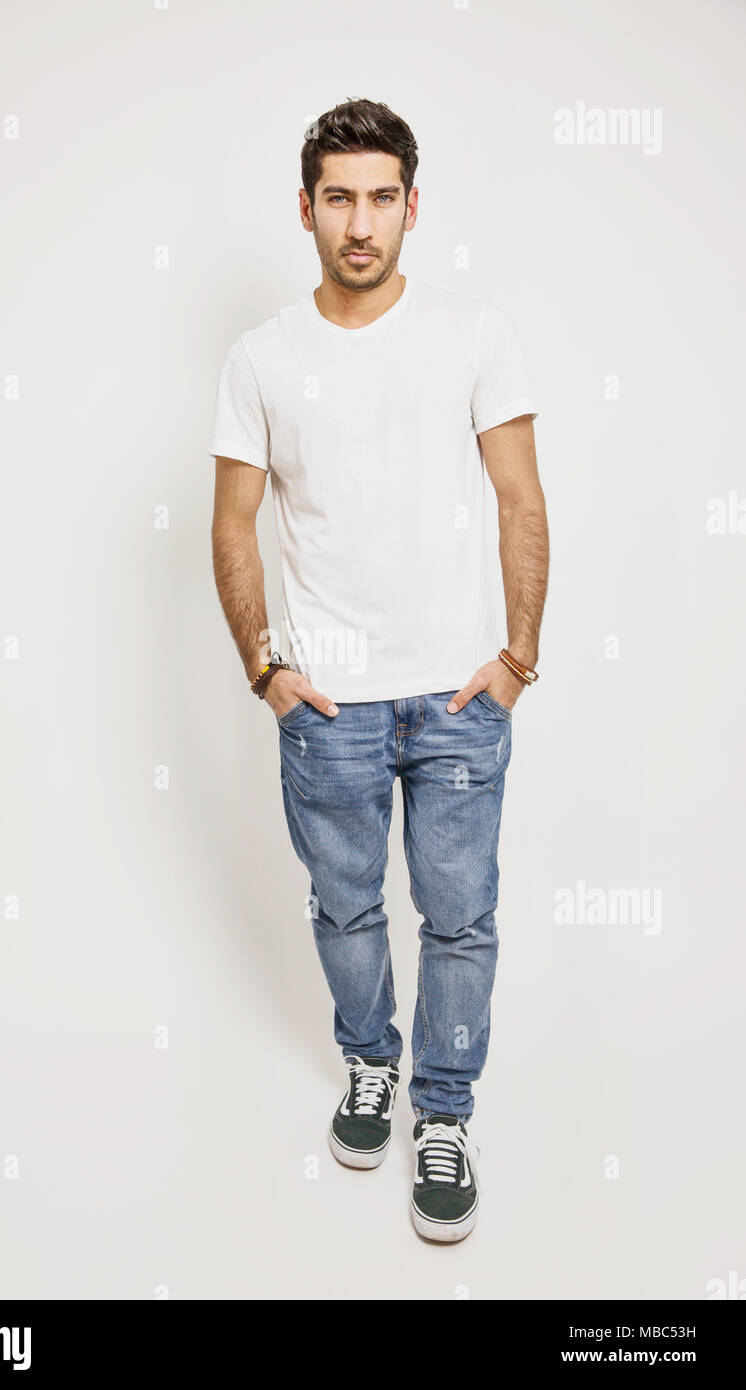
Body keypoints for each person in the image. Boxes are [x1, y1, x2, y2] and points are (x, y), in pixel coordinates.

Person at [209, 98, 549, 1242]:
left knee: (458, 918)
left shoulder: (472, 333)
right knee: (346, 903)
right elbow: (231, 522)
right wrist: (266, 670)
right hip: (328, 705)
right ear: (305, 209)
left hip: (458, 693)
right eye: (339, 198)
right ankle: (370, 1063)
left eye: (381, 197)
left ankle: (443, 1111)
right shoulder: (260, 358)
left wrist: (517, 659)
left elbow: (519, 500)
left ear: (412, 205)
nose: (361, 222)